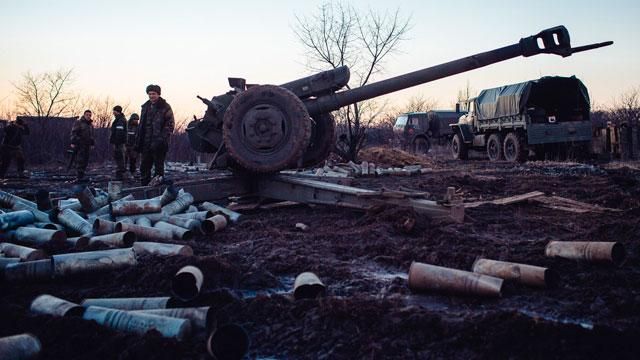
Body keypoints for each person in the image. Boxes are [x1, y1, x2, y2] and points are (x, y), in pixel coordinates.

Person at [135, 84, 175, 186]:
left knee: (158, 168)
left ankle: (158, 189)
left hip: (159, 143)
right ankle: (144, 188)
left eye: (154, 94)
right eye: (150, 94)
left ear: (158, 94)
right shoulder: (145, 107)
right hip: (146, 142)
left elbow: (170, 125)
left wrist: (161, 139)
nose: (151, 96)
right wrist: (138, 140)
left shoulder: (165, 107)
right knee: (144, 167)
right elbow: (141, 125)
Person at [70, 110, 95, 182]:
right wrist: (73, 142)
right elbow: (74, 133)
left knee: (85, 161)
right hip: (80, 145)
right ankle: (79, 176)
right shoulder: (79, 123)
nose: (88, 116)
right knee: (80, 160)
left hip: (87, 145)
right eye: (87, 115)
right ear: (84, 115)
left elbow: (92, 135)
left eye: (90, 115)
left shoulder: (90, 125)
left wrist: (92, 143)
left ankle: (82, 175)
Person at [110, 105, 127, 180]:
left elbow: (119, 132)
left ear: (117, 111)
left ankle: (120, 175)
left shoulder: (120, 120)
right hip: (119, 142)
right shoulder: (119, 119)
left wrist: (117, 142)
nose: (113, 112)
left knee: (119, 157)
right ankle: (120, 173)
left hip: (119, 143)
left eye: (114, 111)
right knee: (119, 157)